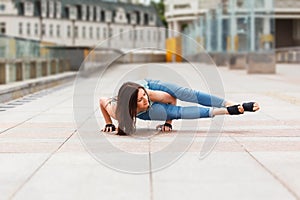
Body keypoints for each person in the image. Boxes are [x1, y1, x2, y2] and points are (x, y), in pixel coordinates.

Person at [100, 79, 260, 135]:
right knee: (178, 113)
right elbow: (102, 100)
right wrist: (109, 123)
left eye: (144, 97)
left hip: (154, 86)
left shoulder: (149, 94)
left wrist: (168, 123)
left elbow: (171, 99)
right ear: (130, 107)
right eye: (141, 101)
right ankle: (225, 112)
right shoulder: (117, 111)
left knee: (186, 93)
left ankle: (228, 104)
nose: (145, 101)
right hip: (142, 110)